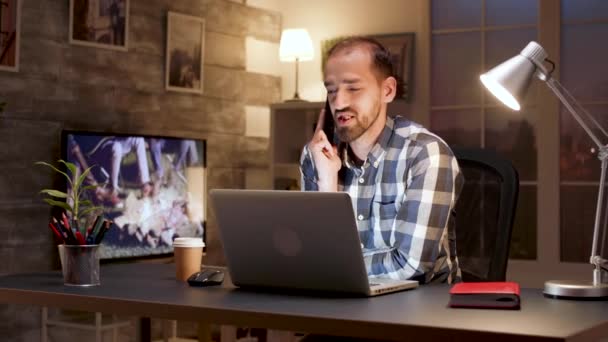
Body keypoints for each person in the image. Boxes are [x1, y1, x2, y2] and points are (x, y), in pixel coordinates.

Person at [300, 37, 463, 284]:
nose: (339, 103)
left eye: (353, 88)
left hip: (420, 308)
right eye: (331, 90)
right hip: (341, 304)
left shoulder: (425, 154)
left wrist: (335, 266)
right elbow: (311, 255)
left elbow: (411, 265)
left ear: (387, 90)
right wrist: (327, 184)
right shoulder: (317, 156)